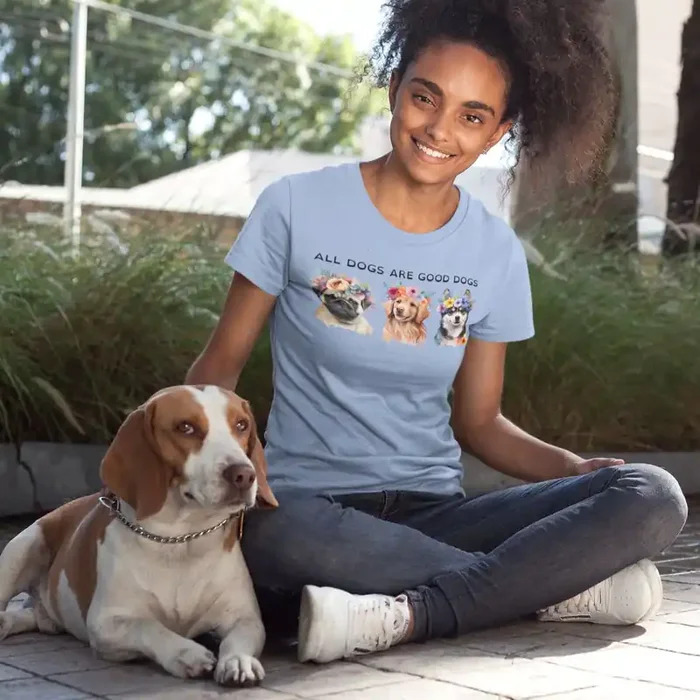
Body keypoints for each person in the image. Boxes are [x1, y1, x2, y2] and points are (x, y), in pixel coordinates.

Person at [186, 0, 688, 664]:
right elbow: (217, 370)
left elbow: (479, 423)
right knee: (274, 537)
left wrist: (574, 470)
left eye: (472, 116)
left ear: (498, 132)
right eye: (426, 97)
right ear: (395, 89)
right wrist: (212, 471)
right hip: (311, 507)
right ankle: (549, 589)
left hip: (439, 513)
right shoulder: (295, 207)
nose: (439, 129)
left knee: (651, 494)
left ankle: (407, 612)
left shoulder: (493, 251)